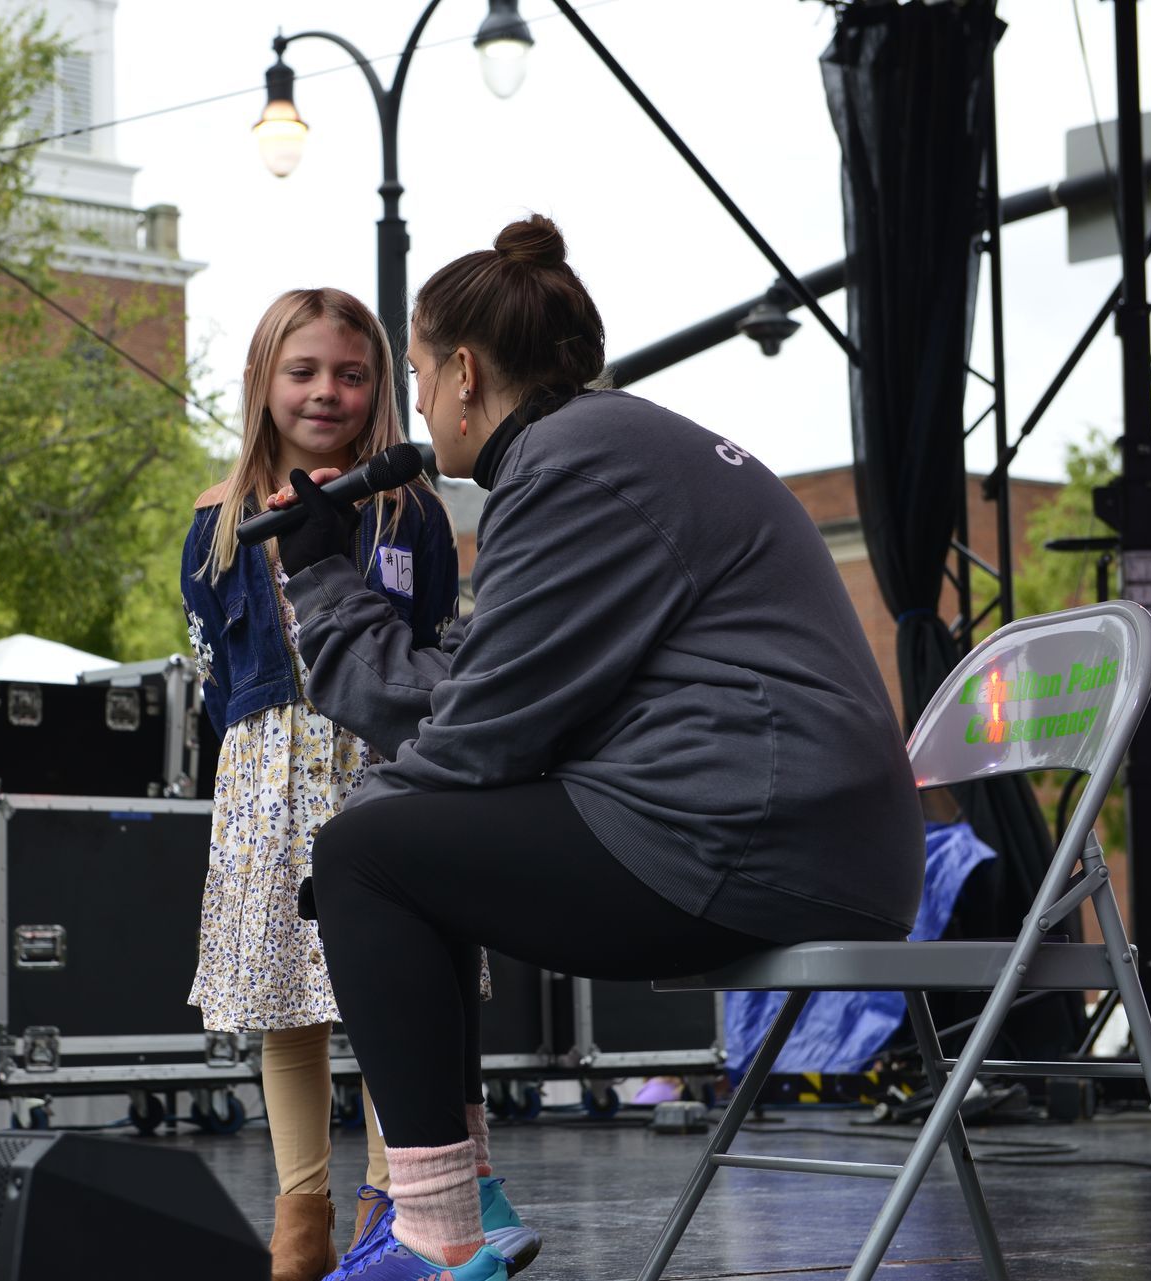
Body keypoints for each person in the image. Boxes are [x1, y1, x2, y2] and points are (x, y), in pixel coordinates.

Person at [268, 216, 925, 1281]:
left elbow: (478, 735)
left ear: (468, 372)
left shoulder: (573, 469)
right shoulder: (610, 449)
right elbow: (483, 708)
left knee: (368, 856)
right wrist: (343, 604)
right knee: (398, 847)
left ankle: (435, 1241)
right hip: (800, 837)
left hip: (758, 844)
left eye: (424, 375)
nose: (421, 404)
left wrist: (323, 594)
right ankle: (460, 1197)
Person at [180, 287, 460, 1281]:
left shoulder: (407, 512)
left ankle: (397, 1202)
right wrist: (254, 772)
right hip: (270, 777)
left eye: (351, 373)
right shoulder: (219, 523)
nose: (327, 392)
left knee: (389, 988)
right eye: (303, 371)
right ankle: (300, 1212)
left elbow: (434, 654)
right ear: (263, 383)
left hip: (377, 765)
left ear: (379, 386)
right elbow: (221, 671)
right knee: (289, 1001)